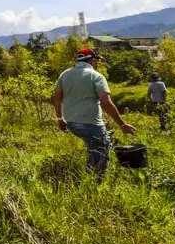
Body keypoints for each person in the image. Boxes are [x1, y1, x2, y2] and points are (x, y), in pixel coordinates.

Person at [54, 48, 136, 179]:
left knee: (94, 149)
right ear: (92, 60)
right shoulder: (96, 76)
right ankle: (93, 183)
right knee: (102, 152)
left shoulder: (65, 74)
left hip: (72, 124)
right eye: (97, 60)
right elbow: (106, 103)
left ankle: (88, 177)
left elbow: (57, 98)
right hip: (91, 124)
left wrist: (60, 119)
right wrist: (122, 125)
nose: (97, 63)